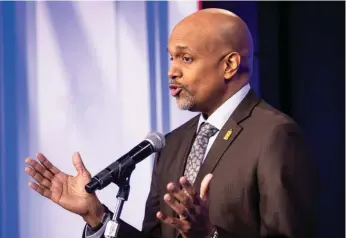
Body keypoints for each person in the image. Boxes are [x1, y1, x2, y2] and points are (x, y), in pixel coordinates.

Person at [24, 8, 319, 238]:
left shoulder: (274, 136)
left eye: (186, 59)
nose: (172, 72)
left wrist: (209, 235)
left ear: (229, 65)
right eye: (170, 58)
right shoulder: (171, 143)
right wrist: (96, 215)